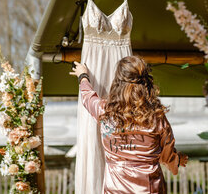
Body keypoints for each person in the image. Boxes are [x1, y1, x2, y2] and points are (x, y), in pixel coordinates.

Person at [70, 56, 188, 194]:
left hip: (115, 188)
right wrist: (177, 160)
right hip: (149, 188)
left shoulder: (105, 112)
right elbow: (166, 155)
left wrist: (83, 76)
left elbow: (88, 97)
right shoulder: (156, 117)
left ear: (117, 82)